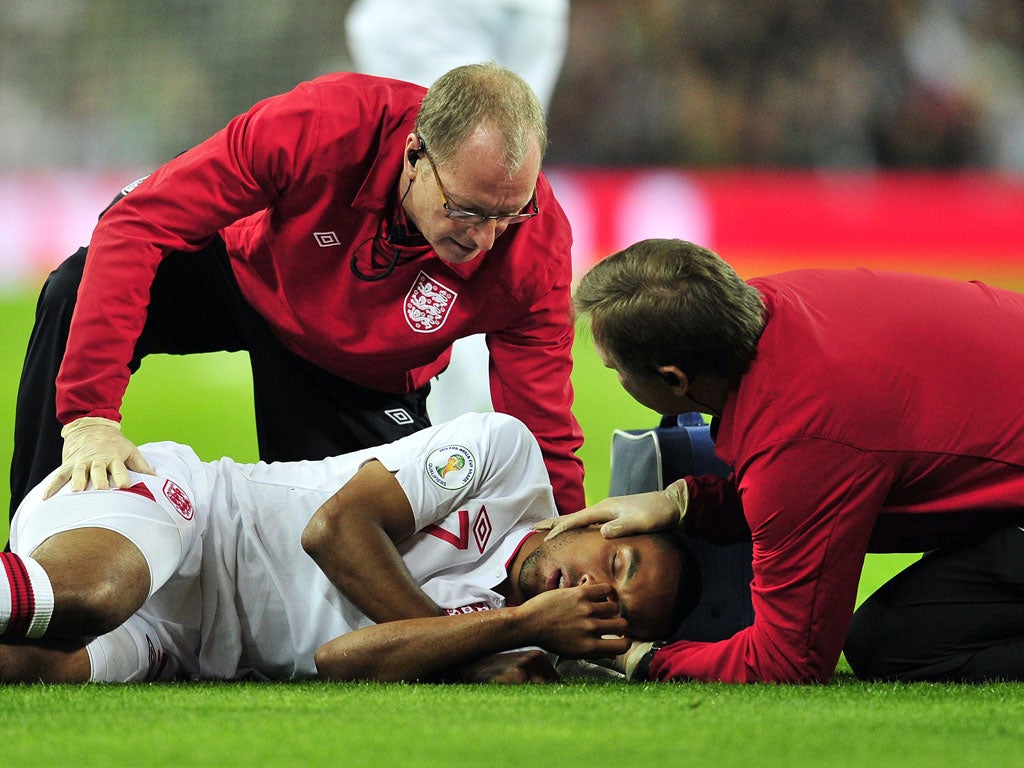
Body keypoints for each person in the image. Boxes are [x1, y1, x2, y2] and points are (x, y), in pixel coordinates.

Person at [9, 62, 584, 524]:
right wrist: (89, 416)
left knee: (359, 570)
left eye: (508, 213)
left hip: (361, 371)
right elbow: (137, 223)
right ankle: (34, 556)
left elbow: (542, 428)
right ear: (415, 156)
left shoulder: (537, 249)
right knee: (73, 287)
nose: (485, 239)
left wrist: (567, 541)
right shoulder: (323, 123)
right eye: (466, 210)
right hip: (246, 276)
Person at [538, 238, 1024, 684]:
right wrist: (684, 502)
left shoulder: (798, 431)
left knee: (892, 645)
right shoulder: (779, 298)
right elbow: (818, 476)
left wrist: (645, 658)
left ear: (675, 379)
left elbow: (788, 660)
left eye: (616, 368)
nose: (613, 375)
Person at [0, 412, 699, 684]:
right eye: (614, 565)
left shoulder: (524, 654)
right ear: (601, 521)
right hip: (192, 517)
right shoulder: (506, 460)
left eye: (614, 610)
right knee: (94, 597)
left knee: (37, 668)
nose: (588, 591)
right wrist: (478, 647)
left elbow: (339, 659)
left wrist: (512, 631)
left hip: (187, 648)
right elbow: (333, 531)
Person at [344, 0, 570, 426]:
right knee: (495, 160)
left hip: (436, 15)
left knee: (462, 172)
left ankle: (447, 436)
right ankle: (459, 437)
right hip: (532, 13)